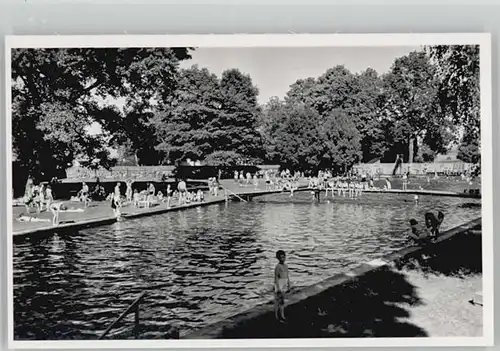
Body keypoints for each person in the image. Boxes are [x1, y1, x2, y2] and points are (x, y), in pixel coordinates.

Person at [274, 250, 290, 322]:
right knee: (278, 301)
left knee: (282, 301)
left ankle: (282, 315)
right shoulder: (278, 266)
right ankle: (277, 316)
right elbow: (276, 277)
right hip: (279, 284)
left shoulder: (286, 266)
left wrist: (289, 284)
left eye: (283, 257)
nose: (282, 259)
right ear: (278, 258)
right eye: (281, 258)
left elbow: (287, 276)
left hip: (284, 283)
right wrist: (278, 287)